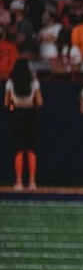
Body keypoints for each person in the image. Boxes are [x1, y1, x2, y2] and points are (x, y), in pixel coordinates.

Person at [4, 58, 44, 190]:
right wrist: (30, 103)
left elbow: (7, 103)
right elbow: (39, 102)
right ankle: (32, 181)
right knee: (31, 149)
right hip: (31, 115)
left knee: (18, 149)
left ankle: (19, 181)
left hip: (17, 116)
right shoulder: (34, 83)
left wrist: (13, 107)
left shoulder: (10, 83)